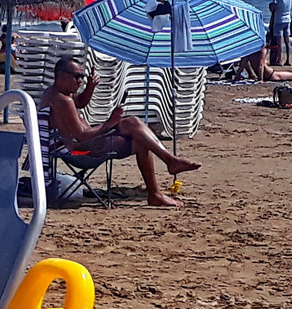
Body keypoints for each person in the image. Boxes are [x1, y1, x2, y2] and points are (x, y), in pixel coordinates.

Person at [41, 56, 199, 208]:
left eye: (82, 76)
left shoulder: (55, 93)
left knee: (137, 133)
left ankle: (162, 179)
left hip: (74, 146)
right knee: (134, 128)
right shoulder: (63, 100)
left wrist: (90, 87)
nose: (80, 81)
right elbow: (81, 135)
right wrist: (111, 121)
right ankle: (163, 177)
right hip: (80, 152)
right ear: (61, 75)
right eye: (77, 76)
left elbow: (80, 103)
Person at [266, 0, 292, 66]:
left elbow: (272, 9)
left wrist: (270, 5)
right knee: (287, 40)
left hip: (279, 20)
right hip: (287, 18)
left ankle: (279, 60)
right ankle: (288, 59)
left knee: (279, 41)